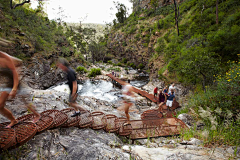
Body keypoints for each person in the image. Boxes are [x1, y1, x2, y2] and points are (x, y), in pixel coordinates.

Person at [0, 51, 40, 128]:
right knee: (0, 105)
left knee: (25, 101)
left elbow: (15, 73)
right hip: (8, 84)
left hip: (16, 83)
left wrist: (14, 89)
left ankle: (37, 115)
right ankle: (13, 120)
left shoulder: (5, 57)